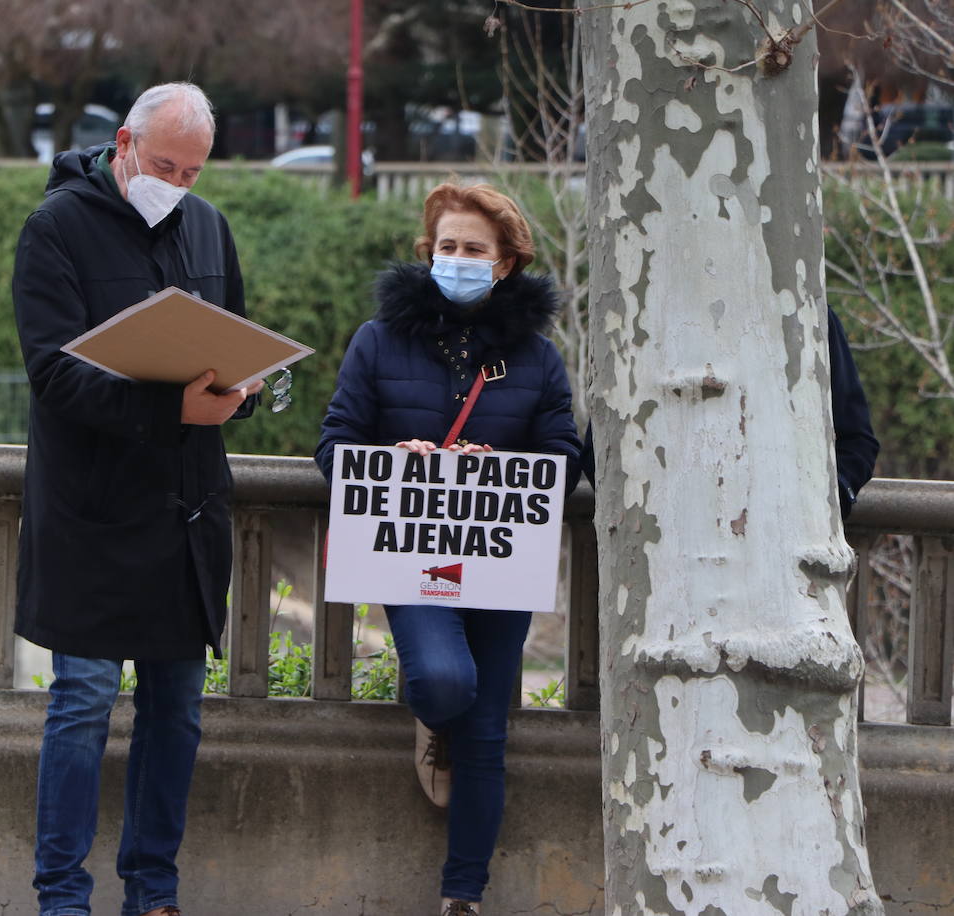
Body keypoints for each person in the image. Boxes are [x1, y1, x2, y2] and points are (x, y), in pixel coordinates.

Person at [11, 82, 262, 916]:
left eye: (193, 171)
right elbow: (52, 374)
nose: (179, 184)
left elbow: (236, 346)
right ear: (123, 143)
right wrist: (169, 407)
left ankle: (153, 891)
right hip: (91, 511)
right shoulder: (54, 228)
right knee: (81, 703)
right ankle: (61, 897)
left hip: (184, 511)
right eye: (165, 165)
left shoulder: (209, 226)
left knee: (177, 712)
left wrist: (246, 392)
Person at [315, 183, 581, 916]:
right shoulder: (377, 341)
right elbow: (335, 445)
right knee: (443, 683)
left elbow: (563, 455)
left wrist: (488, 466)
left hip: (498, 560)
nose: (456, 259)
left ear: (505, 264)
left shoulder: (538, 358)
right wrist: (396, 459)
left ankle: (463, 893)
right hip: (411, 554)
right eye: (446, 247)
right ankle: (432, 721)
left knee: (488, 736)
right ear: (428, 252)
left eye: (474, 249)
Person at [577, 307, 880, 517]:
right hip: (666, 563)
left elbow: (857, 441)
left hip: (784, 567)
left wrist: (828, 500)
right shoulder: (643, 315)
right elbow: (601, 453)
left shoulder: (809, 314)